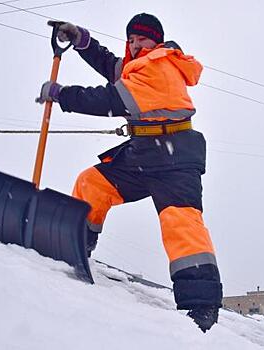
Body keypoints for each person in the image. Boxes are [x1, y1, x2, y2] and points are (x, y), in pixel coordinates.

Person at [35, 13, 222, 332]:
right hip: (142, 154)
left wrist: (61, 94)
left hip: (175, 159)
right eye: (132, 40)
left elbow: (111, 99)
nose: (135, 45)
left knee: (180, 222)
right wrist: (83, 41)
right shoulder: (140, 63)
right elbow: (113, 68)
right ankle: (77, 246)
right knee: (92, 183)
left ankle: (201, 306)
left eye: (142, 40)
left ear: (156, 41)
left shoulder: (161, 67)